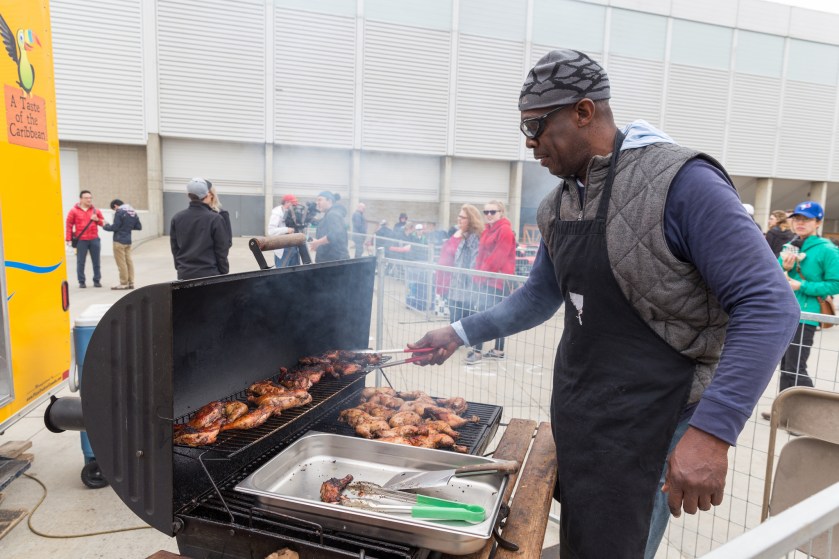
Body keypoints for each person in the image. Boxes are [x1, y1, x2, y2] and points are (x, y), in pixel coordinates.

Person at [407, 49, 799, 558]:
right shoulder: (559, 203)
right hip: (584, 413)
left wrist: (712, 432)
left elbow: (769, 305)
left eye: (535, 127)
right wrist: (459, 332)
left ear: (584, 112)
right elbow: (538, 298)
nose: (530, 147)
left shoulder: (683, 182)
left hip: (656, 420)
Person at [775, 202, 839, 392]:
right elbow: (775, 277)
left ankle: (813, 410)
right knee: (786, 367)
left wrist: (801, 285)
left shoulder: (827, 249)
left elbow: (835, 283)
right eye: (797, 218)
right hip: (785, 312)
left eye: (807, 219)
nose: (800, 223)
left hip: (807, 314)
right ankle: (784, 411)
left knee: (796, 367)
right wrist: (785, 269)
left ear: (818, 222)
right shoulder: (789, 245)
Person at [471, 200, 516, 362]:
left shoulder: (505, 230)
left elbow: (498, 258)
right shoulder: (487, 230)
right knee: (487, 315)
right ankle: (492, 350)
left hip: (498, 282)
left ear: (501, 212)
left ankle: (482, 351)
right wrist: (478, 275)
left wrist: (480, 275)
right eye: (486, 212)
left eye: (493, 211)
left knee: (490, 316)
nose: (489, 215)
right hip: (486, 280)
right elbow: (481, 256)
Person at [170, 177, 231, 280]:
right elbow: (222, 249)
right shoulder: (215, 219)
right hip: (210, 274)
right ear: (207, 195)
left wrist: (180, 267)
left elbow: (175, 248)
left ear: (188, 195)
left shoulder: (177, 218)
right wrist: (223, 271)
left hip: (184, 275)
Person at [447, 204, 483, 361]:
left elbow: (474, 263)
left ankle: (476, 349)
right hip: (457, 287)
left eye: (462, 217)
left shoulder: (474, 238)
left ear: (470, 219)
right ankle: (457, 342)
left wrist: (471, 286)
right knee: (456, 315)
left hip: (468, 289)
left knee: (471, 318)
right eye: (459, 217)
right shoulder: (464, 236)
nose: (458, 220)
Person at [65, 190, 105, 288]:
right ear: (81, 199)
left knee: (96, 262)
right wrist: (68, 238)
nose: (89, 199)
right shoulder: (74, 211)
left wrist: (97, 219)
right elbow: (69, 225)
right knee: (80, 262)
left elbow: (103, 223)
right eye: (86, 198)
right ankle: (81, 281)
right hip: (81, 240)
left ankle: (97, 280)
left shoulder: (96, 211)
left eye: (90, 198)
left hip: (94, 239)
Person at [102, 199, 142, 290]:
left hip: (119, 241)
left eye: (114, 209)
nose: (115, 211)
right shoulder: (132, 212)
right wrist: (126, 227)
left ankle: (123, 283)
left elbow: (115, 227)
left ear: (115, 206)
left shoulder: (119, 212)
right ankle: (131, 282)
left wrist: (105, 226)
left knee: (121, 263)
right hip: (128, 241)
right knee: (129, 262)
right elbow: (138, 227)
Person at [309, 191, 349, 262]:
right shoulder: (330, 214)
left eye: (320, 200)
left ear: (329, 201)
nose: (317, 203)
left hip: (333, 262)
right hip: (330, 260)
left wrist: (317, 243)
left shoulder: (333, 214)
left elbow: (335, 234)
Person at [268, 194, 297, 267]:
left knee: (294, 272)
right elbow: (271, 231)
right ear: (286, 202)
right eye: (293, 203)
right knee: (282, 272)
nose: (295, 206)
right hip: (283, 248)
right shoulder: (277, 213)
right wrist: (286, 230)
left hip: (293, 246)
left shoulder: (292, 213)